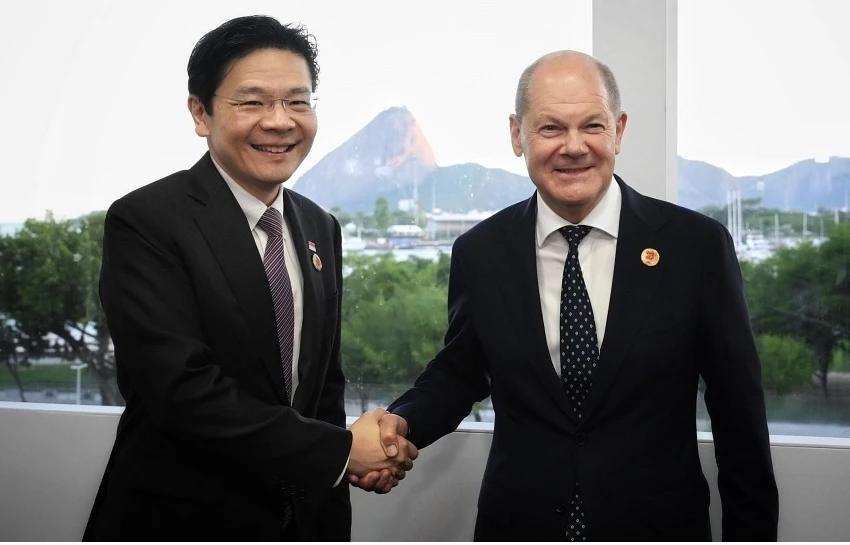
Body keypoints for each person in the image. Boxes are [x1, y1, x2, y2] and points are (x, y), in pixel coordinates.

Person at [352, 50, 779, 541]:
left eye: (591, 126)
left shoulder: (696, 247)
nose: (574, 147)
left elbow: (739, 415)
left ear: (618, 129)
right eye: (551, 128)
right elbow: (461, 370)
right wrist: (399, 426)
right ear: (518, 135)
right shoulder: (481, 251)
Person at [83, 15, 414, 541]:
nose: (280, 121)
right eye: (252, 101)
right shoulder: (146, 220)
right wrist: (340, 452)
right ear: (200, 112)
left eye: (298, 101)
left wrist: (355, 458)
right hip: (184, 519)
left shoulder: (318, 226)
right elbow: (182, 391)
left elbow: (321, 388)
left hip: (304, 520)